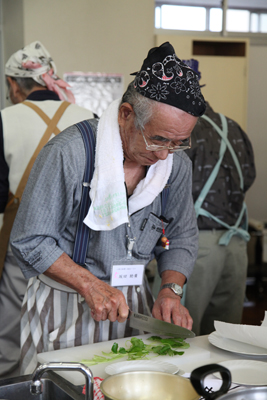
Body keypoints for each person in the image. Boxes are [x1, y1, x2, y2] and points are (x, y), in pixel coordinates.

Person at [10, 42, 206, 374]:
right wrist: (88, 284)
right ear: (126, 114)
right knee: (67, 387)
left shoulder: (175, 165)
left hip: (133, 302)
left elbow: (182, 235)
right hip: (65, 302)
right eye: (158, 139)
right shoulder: (70, 154)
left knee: (127, 386)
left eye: (178, 142)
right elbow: (31, 240)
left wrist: (171, 289)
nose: (165, 155)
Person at [0, 40, 95, 378]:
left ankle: (17, 386)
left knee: (12, 325)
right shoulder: (89, 118)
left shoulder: (5, 120)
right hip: (79, 248)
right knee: (71, 327)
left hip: (20, 240)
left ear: (14, 84)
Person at [182, 59, 256, 336]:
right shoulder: (233, 127)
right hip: (237, 244)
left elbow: (166, 188)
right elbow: (249, 177)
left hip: (196, 245)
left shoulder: (182, 131)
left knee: (180, 332)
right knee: (226, 335)